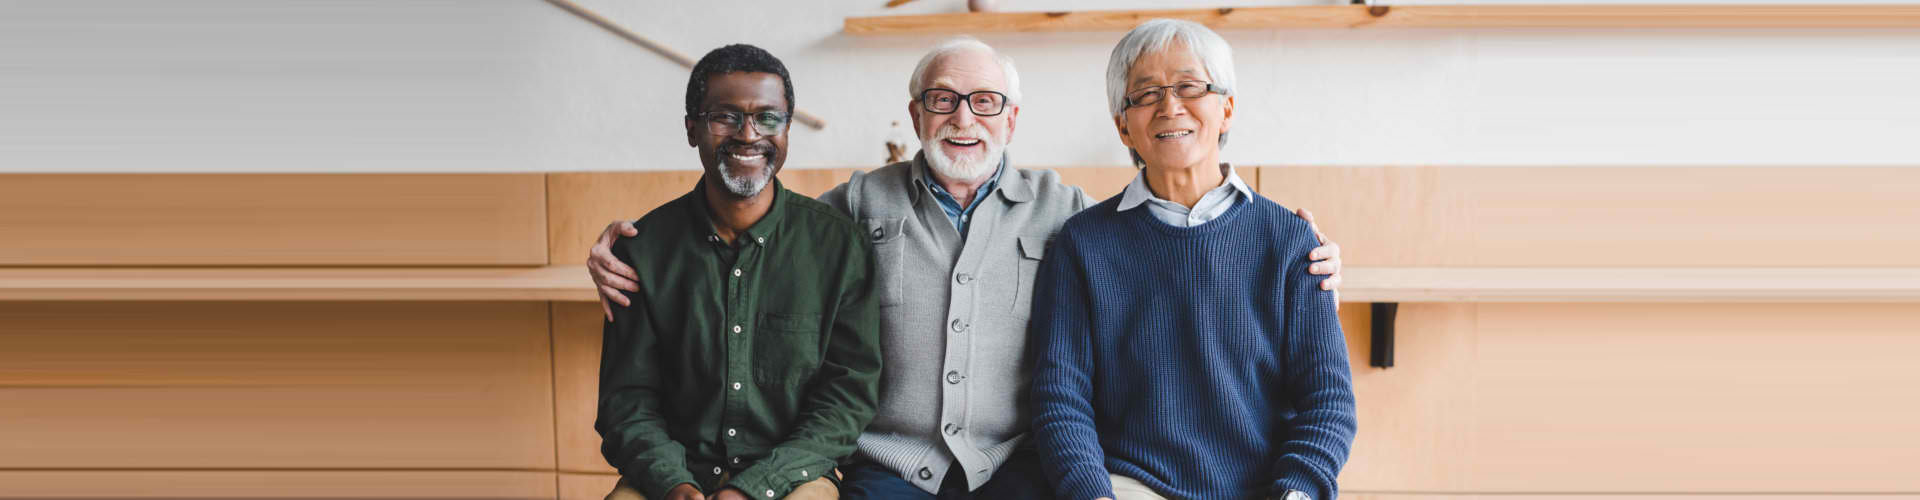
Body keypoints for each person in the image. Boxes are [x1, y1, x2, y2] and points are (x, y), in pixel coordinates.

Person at [590, 37, 1347, 500]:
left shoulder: (1072, 216)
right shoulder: (849, 208)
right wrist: (620, 253)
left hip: (1015, 465)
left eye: (985, 102)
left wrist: (1295, 245)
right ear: (916, 115)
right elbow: (758, 228)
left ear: (1012, 121)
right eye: (943, 100)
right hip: (886, 465)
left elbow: (1161, 231)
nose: (963, 118)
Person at [1029, 20, 1357, 500]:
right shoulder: (1083, 243)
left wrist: (1298, 492)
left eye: (1190, 87)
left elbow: (1327, 402)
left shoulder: (1289, 239)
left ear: (1226, 109)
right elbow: (1060, 398)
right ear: (1123, 125)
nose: (1170, 106)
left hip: (1266, 487)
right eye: (1145, 94)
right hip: (1129, 484)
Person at [596, 44, 882, 500]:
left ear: (788, 128)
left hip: (793, 477)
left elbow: (845, 401)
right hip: (673, 475)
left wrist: (752, 489)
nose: (749, 134)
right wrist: (675, 484)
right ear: (692, 129)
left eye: (769, 117)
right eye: (725, 116)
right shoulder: (642, 249)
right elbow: (626, 402)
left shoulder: (838, 245)